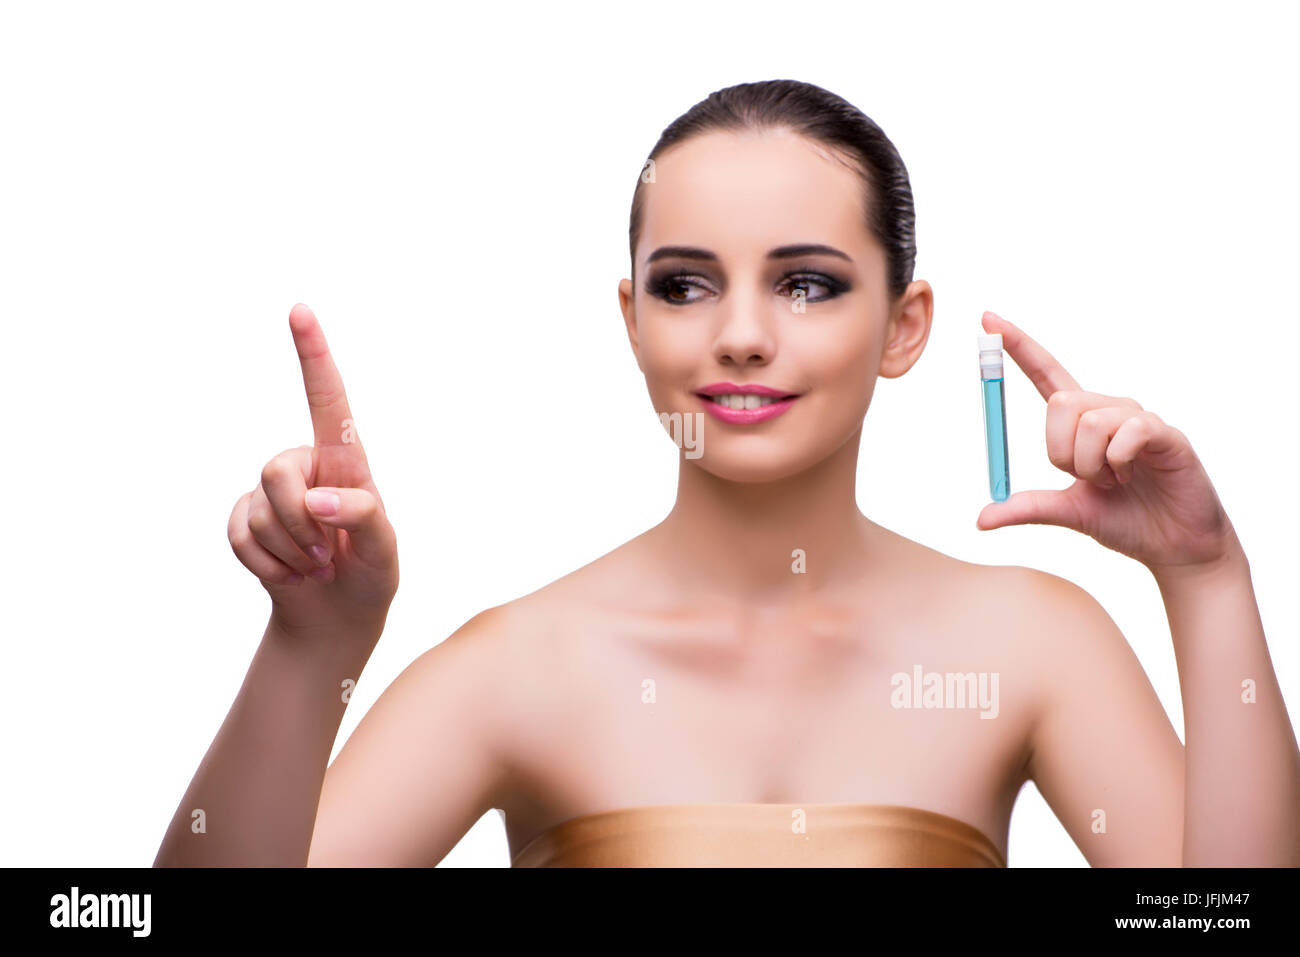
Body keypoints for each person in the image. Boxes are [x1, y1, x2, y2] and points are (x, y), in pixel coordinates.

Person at [154, 79, 1299, 867]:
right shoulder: (520, 666)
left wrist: (1204, 577)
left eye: (805, 283)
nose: (740, 336)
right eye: (686, 284)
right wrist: (311, 647)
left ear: (905, 328)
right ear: (631, 319)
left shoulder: (1031, 644)